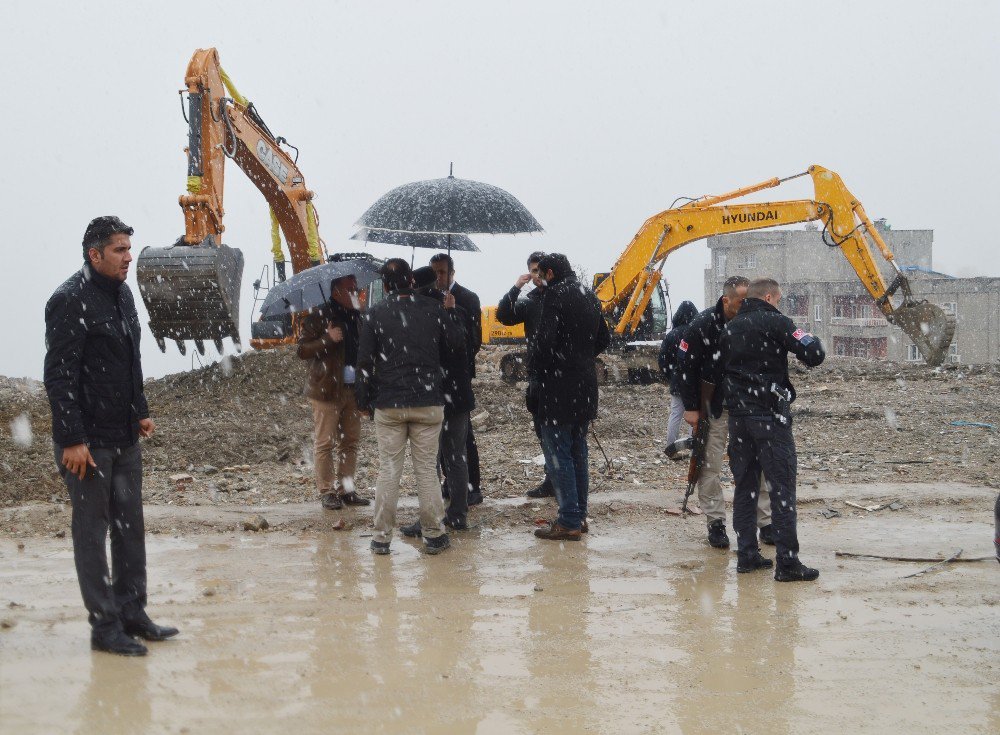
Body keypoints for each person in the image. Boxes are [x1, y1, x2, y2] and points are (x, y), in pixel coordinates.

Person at [43, 216, 178, 656]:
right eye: (119, 250)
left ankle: (133, 613)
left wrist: (139, 410)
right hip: (89, 444)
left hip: (123, 436)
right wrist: (71, 439)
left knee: (129, 528)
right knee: (91, 531)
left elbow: (129, 358)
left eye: (128, 249)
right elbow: (59, 377)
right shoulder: (68, 300)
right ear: (94, 254)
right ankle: (104, 627)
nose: (128, 257)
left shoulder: (122, 295)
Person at [355, 259, 462, 555]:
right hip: (428, 402)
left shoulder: (375, 313)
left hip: (389, 403)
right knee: (427, 469)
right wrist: (450, 312)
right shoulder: (433, 308)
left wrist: (363, 401)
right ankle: (434, 534)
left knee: (389, 470)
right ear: (412, 281)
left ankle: (381, 538)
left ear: (386, 286)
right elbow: (455, 346)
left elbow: (364, 361)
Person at [721, 277, 825, 581]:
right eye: (778, 300)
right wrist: (805, 337)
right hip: (769, 416)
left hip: (738, 418)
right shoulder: (776, 322)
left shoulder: (730, 328)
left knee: (745, 486)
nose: (778, 304)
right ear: (769, 297)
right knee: (781, 488)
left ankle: (747, 555)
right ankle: (788, 564)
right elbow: (813, 353)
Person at [679, 276, 773, 549]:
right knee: (710, 464)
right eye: (742, 301)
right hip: (715, 406)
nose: (746, 306)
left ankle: (765, 523)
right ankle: (716, 523)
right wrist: (691, 407)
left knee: (757, 465)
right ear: (726, 300)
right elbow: (685, 368)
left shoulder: (755, 321)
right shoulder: (703, 325)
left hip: (749, 404)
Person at [530, 253, 610, 540]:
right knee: (578, 451)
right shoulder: (589, 295)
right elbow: (604, 338)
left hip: (558, 387)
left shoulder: (554, 296)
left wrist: (541, 369)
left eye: (542, 273)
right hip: (585, 385)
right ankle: (579, 516)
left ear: (550, 273)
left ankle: (568, 521)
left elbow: (544, 343)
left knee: (559, 453)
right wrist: (580, 359)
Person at [399, 266, 475, 535]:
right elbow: (467, 347)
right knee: (456, 457)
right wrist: (452, 312)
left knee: (429, 459)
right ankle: (458, 514)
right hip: (457, 395)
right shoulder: (455, 312)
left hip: (431, 396)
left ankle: (430, 518)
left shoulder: (419, 316)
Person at [296, 274, 369, 511]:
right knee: (325, 442)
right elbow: (302, 350)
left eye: (355, 288)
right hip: (326, 390)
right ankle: (327, 491)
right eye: (350, 288)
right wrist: (328, 339)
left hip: (351, 389)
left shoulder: (358, 316)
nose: (355, 292)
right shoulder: (319, 316)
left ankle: (346, 489)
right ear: (336, 291)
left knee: (350, 442)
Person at [495, 251, 554, 498]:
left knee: (563, 432)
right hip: (538, 374)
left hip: (562, 374)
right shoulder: (530, 302)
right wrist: (516, 287)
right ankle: (553, 478)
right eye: (533, 271)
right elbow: (503, 315)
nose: (537, 275)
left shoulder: (562, 297)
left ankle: (565, 482)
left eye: (540, 270)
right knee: (542, 428)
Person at [430, 253, 484, 506]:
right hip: (434, 381)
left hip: (458, 379)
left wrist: (452, 317)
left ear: (452, 273)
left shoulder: (468, 299)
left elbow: (472, 341)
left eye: (441, 272)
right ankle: (449, 482)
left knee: (463, 438)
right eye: (434, 272)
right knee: (439, 437)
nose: (438, 277)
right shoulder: (428, 298)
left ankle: (472, 486)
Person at [658, 300, 699, 458]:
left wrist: (671, 375)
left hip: (677, 380)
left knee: (676, 413)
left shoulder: (672, 335)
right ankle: (693, 446)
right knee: (695, 412)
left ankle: (670, 446)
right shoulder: (696, 331)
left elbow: (662, 360)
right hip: (694, 381)